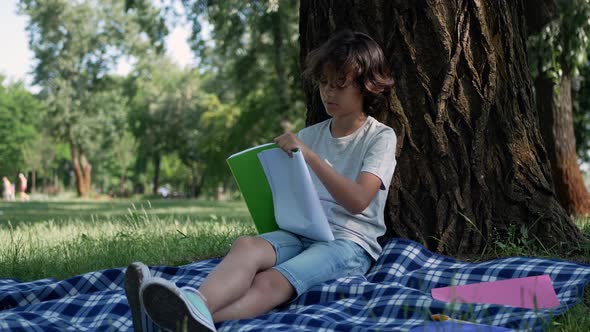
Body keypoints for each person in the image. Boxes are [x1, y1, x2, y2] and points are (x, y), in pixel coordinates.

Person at [124, 30, 398, 332]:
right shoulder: (310, 136)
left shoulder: (380, 137)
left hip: (349, 244)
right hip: (304, 232)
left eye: (340, 85)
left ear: (367, 87)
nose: (328, 93)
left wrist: (311, 158)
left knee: (272, 280)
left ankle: (184, 322)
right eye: (323, 83)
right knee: (246, 246)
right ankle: (195, 302)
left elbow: (359, 201)